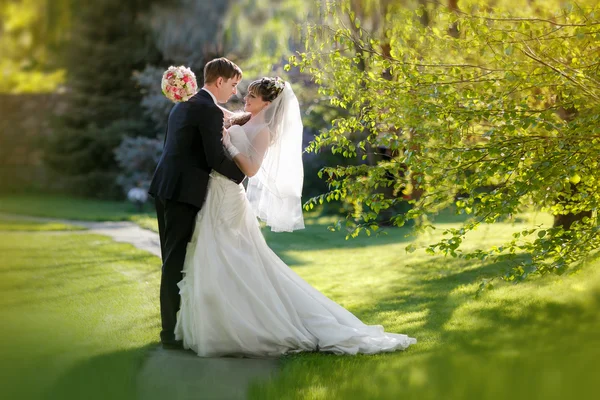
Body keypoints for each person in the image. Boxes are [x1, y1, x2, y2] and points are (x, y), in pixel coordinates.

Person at [174, 77, 416, 357]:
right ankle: (216, 322)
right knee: (213, 254)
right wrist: (188, 92)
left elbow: (251, 169)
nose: (245, 98)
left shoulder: (264, 130)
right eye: (247, 94)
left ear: (268, 103)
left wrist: (230, 144)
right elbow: (213, 109)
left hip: (230, 197)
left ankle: (244, 325)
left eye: (252, 96)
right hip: (216, 193)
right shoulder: (243, 119)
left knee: (231, 256)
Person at [148, 58, 245, 349]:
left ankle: (174, 327)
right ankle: (169, 335)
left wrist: (242, 118)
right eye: (233, 84)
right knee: (175, 262)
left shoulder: (185, 104)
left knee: (171, 258)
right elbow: (214, 157)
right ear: (219, 82)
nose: (235, 91)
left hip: (165, 186)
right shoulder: (207, 109)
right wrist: (245, 174)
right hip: (183, 192)